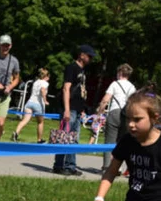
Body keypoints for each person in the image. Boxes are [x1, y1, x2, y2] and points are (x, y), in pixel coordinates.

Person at [52, 44, 96, 176]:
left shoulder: (82, 71)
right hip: (69, 108)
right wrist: (66, 109)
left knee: (74, 138)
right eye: (89, 56)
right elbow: (66, 88)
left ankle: (70, 165)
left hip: (77, 109)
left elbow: (80, 92)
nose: (90, 59)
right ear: (81, 55)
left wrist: (82, 109)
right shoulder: (72, 68)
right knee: (64, 136)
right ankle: (59, 165)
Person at [94, 64, 137, 170]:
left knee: (109, 141)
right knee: (122, 142)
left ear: (120, 73)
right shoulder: (132, 87)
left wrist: (99, 114)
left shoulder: (115, 84)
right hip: (126, 116)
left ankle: (107, 166)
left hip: (114, 113)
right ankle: (118, 167)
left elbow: (105, 100)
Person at [11, 68, 49, 143]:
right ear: (46, 76)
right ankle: (39, 139)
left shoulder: (36, 82)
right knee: (40, 122)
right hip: (38, 104)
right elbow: (42, 90)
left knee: (25, 120)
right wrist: (45, 100)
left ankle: (16, 133)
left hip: (29, 103)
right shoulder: (45, 83)